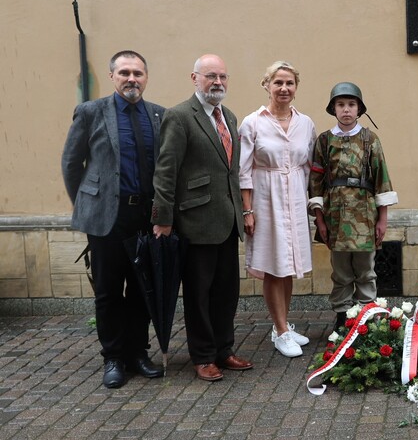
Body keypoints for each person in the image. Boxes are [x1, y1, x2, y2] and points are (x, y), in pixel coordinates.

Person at [61, 50, 166, 388]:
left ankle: (138, 353)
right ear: (113, 77)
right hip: (107, 217)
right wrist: (87, 203)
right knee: (107, 292)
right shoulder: (92, 112)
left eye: (137, 72)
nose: (131, 78)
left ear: (146, 77)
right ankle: (113, 358)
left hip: (144, 216)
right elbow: (71, 163)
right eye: (124, 72)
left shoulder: (158, 116)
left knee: (141, 290)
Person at [151, 54, 253, 382]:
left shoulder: (230, 117)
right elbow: (166, 172)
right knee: (199, 295)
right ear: (194, 78)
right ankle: (204, 355)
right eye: (210, 76)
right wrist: (163, 218)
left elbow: (231, 171)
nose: (218, 82)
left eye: (223, 76)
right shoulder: (179, 117)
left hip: (226, 221)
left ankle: (224, 350)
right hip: (194, 223)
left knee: (226, 293)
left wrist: (242, 212)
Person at [239, 61, 316, 358]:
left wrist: (310, 201)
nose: (284, 88)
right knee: (273, 265)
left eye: (289, 83)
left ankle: (282, 325)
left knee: (288, 266)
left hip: (294, 197)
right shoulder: (252, 123)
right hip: (265, 198)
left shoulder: (306, 123)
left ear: (296, 88)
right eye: (278, 83)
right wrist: (247, 210)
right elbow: (243, 170)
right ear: (267, 85)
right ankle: (281, 330)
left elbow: (309, 166)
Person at [308, 82, 398, 330]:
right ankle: (342, 316)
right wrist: (320, 218)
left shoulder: (370, 139)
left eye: (351, 105)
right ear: (333, 109)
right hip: (335, 215)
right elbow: (315, 181)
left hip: (364, 215)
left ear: (359, 109)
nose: (346, 110)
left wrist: (382, 218)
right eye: (340, 105)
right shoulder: (325, 141)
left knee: (365, 268)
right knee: (340, 270)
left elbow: (382, 178)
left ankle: (367, 314)